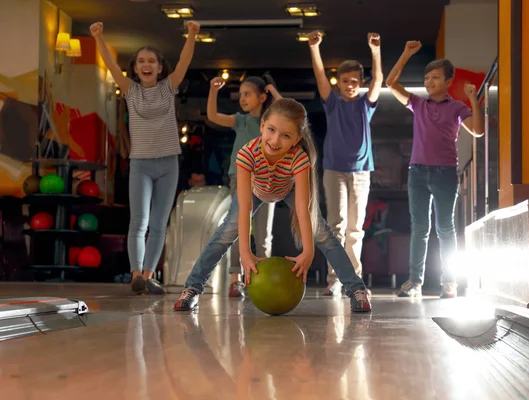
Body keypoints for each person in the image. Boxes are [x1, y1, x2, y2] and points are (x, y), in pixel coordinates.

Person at [174, 98, 372, 313]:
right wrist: (246, 253)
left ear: (297, 139)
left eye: (286, 135)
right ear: (262, 126)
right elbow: (245, 209)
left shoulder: (299, 158)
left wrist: (308, 251)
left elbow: (303, 209)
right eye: (271, 130)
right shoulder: (247, 155)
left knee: (323, 233)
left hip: (287, 189)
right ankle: (192, 288)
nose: (275, 140)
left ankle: (356, 290)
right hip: (255, 191)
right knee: (223, 234)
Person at [90, 21, 199, 295]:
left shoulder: (168, 87)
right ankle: (136, 273)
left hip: (168, 163)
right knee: (138, 221)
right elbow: (110, 65)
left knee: (159, 223)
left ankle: (148, 276)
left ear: (160, 67)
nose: (146, 64)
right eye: (141, 61)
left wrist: (192, 36)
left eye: (152, 61)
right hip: (140, 164)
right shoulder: (130, 90)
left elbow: (185, 61)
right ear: (136, 68)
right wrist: (99, 38)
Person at [385, 41, 484, 298]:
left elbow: (479, 130)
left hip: (444, 173)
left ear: (448, 82)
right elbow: (390, 84)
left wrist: (473, 100)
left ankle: (449, 283)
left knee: (445, 228)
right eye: (427, 78)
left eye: (436, 78)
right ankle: (415, 282)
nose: (429, 82)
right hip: (416, 172)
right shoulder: (418, 104)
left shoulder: (457, 108)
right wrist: (406, 53)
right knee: (419, 228)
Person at [307, 31, 383, 296]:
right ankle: (335, 278)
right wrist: (315, 48)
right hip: (334, 170)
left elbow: (379, 81)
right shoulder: (333, 104)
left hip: (361, 171)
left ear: (360, 82)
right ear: (338, 82)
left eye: (354, 81)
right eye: (344, 81)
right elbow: (319, 77)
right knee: (336, 225)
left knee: (355, 228)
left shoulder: (365, 105)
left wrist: (375, 51)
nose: (349, 85)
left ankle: (354, 279)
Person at [206, 75, 281, 298]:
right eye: (241, 95)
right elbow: (212, 116)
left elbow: (291, 114)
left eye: (247, 94)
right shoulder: (241, 120)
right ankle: (235, 280)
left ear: (261, 97)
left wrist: (275, 94)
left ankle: (260, 278)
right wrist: (213, 91)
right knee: (240, 230)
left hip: (268, 180)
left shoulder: (273, 123)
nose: (242, 99)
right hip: (242, 178)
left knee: (263, 234)